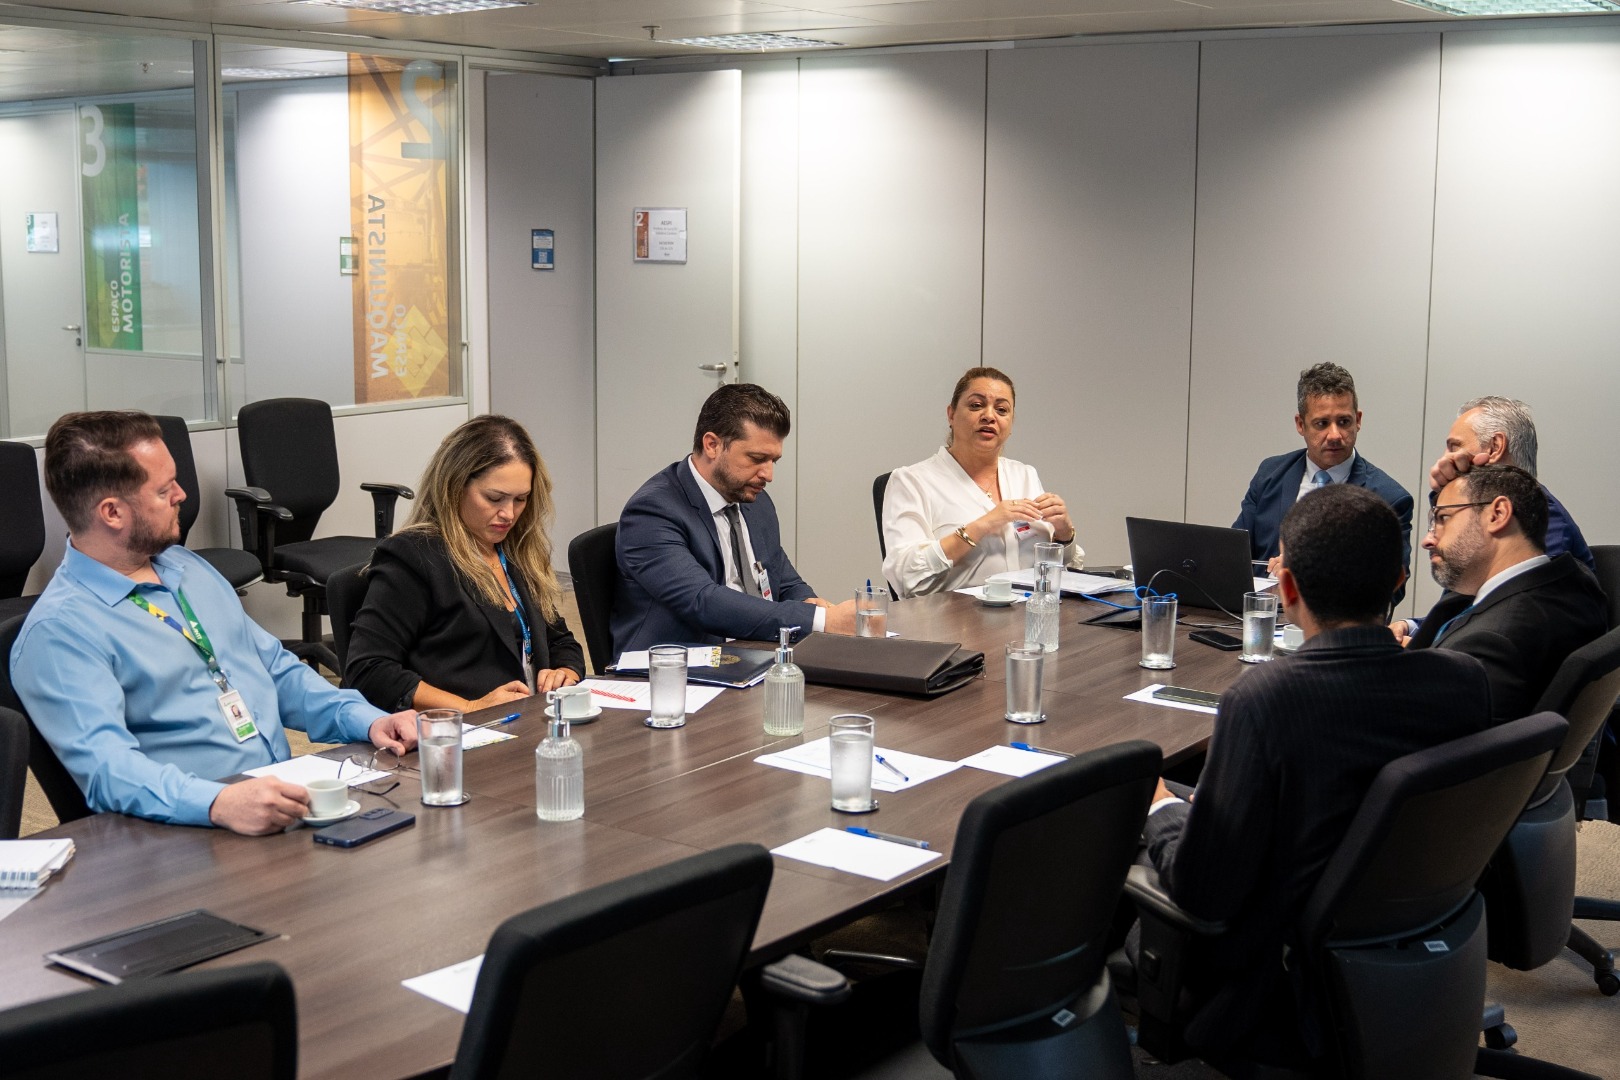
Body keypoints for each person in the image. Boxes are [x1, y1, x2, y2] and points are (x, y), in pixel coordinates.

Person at [1143, 484, 1492, 1063]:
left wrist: (1158, 808)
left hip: (1274, 967)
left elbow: (1202, 893)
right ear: (1401, 579)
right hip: (1402, 926)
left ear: (1286, 589)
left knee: (1121, 817)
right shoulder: (1464, 680)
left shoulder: (1265, 700)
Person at [11, 411, 418, 835]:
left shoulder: (188, 568)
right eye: (165, 489)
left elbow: (275, 670)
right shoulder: (60, 632)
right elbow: (109, 772)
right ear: (112, 512)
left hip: (277, 806)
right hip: (188, 833)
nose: (182, 494)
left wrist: (367, 719)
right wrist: (218, 803)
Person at [343, 415, 585, 713]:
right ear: (455, 486)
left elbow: (561, 642)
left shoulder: (516, 551)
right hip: (457, 737)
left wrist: (565, 673)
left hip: (528, 725)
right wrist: (469, 707)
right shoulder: (414, 557)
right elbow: (368, 670)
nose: (508, 514)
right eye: (494, 498)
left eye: (521, 499)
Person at [611, 383, 856, 654]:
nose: (768, 474)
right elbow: (703, 601)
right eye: (757, 458)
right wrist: (820, 621)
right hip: (677, 670)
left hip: (750, 653)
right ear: (713, 445)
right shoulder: (652, 512)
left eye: (774, 460)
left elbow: (782, 577)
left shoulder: (753, 500)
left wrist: (810, 602)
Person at [1403, 464, 1606, 722]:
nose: (1428, 540)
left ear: (1498, 514)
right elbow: (1524, 497)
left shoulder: (1490, 644)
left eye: (1442, 518)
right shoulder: (1572, 579)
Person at [880, 366, 1083, 597]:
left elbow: (1060, 570)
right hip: (950, 623)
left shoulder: (1024, 474)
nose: (989, 416)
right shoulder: (911, 481)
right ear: (951, 415)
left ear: (1011, 423)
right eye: (976, 405)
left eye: (1002, 409)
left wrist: (1064, 534)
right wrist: (984, 525)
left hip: (1027, 616)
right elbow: (906, 578)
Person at [1232, 362, 1413, 580]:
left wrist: (1310, 573)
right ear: (1300, 424)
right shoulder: (1270, 475)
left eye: (1344, 421)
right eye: (1322, 423)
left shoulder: (1389, 499)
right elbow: (1234, 557)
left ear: (1358, 420)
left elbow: (1392, 586)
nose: (1335, 435)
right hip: (1263, 610)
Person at [1423, 396, 1592, 567]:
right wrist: (1446, 495)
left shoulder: (1544, 519)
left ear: (1495, 447)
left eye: (1455, 447)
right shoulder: (1492, 511)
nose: (1444, 458)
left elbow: (1524, 591)